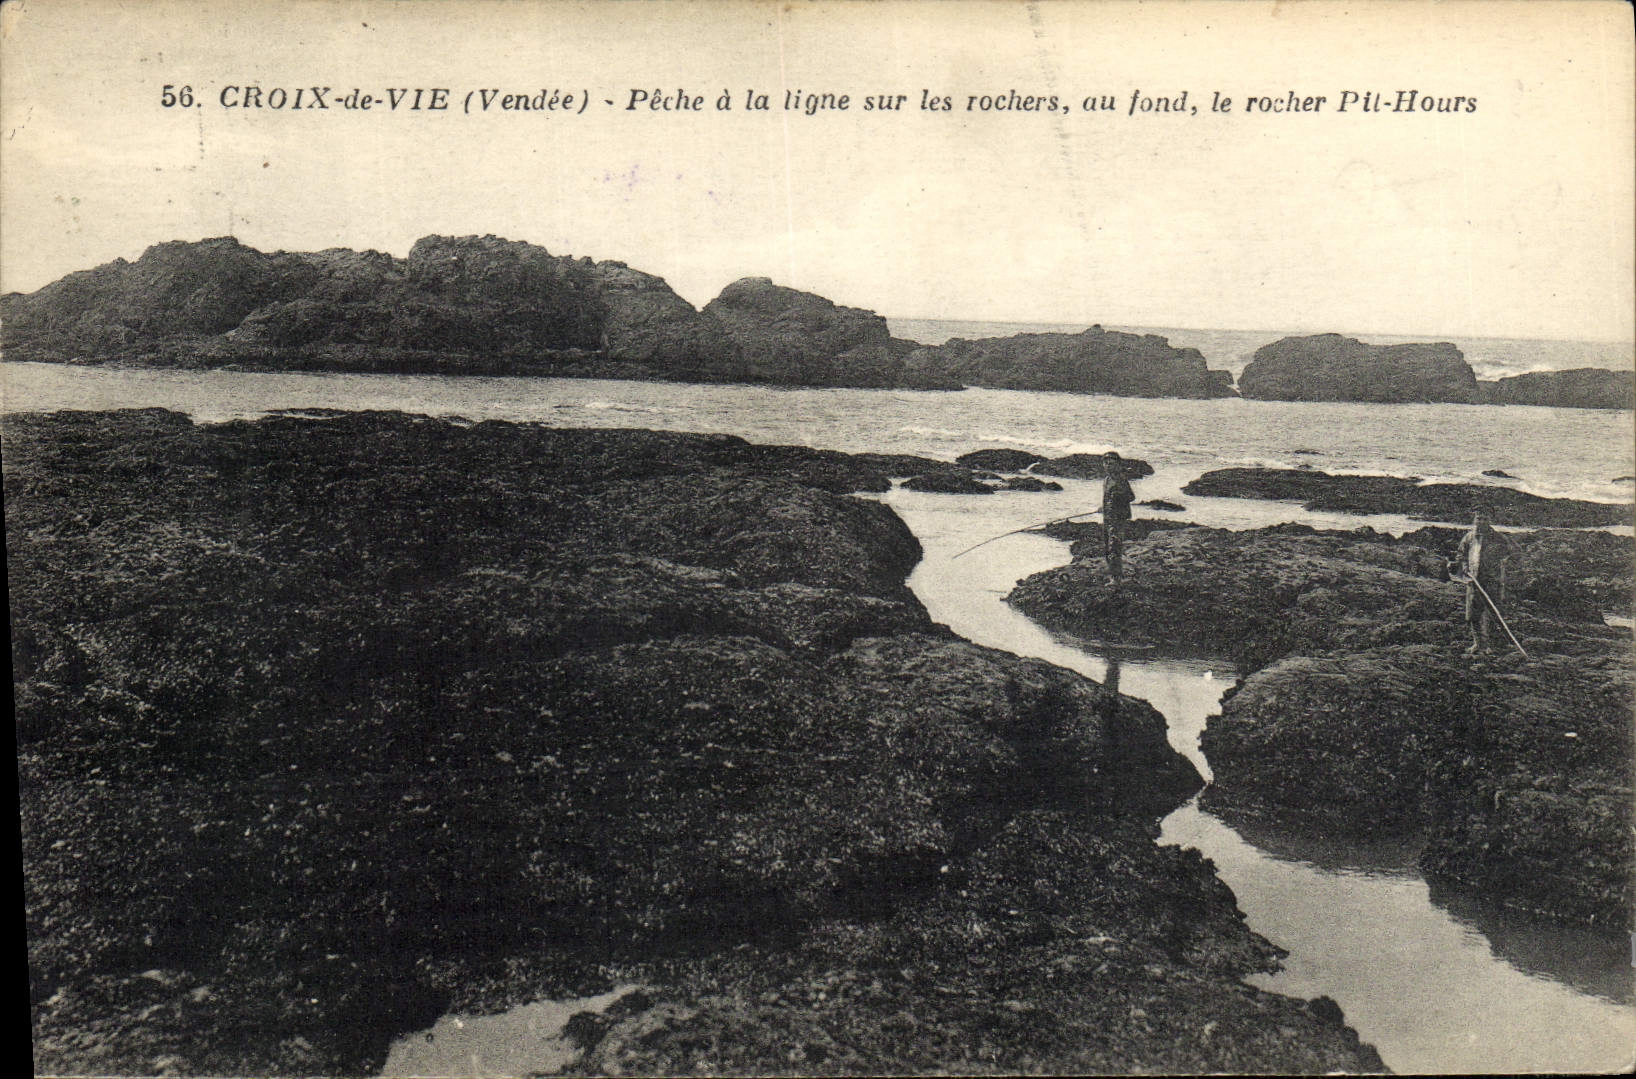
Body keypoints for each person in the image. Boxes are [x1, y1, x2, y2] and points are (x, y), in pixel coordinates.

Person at [1453, 511, 1521, 654]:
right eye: (1479, 518)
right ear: (1474, 520)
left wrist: (1505, 564)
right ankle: (1478, 643)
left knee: (1493, 613)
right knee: (1473, 614)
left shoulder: (1499, 538)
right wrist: (1464, 567)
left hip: (1492, 581)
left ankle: (1491, 645)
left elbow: (1515, 553)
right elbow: (1461, 554)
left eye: (1485, 518)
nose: (1481, 521)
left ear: (1490, 520)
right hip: (1474, 580)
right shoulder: (1469, 537)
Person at [1101, 451, 1135, 584]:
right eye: (1106, 464)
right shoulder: (1107, 480)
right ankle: (1113, 575)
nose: (1108, 466)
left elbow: (1131, 496)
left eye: (1111, 464)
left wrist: (1117, 497)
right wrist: (1103, 507)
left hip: (1118, 518)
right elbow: (1106, 498)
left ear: (1118, 465)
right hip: (1107, 517)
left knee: (1114, 547)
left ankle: (1116, 578)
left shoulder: (1121, 479)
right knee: (1107, 546)